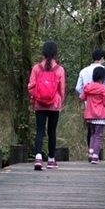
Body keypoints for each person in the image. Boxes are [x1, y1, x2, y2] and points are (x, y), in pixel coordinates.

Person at [27, 41, 66, 170]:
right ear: (55, 53)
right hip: (54, 104)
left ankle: (38, 157)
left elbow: (31, 86)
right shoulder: (59, 69)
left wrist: (36, 97)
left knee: (39, 130)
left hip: (39, 104)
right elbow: (61, 90)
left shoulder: (36, 68)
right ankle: (51, 159)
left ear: (43, 52)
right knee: (52, 132)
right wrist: (59, 100)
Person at [75, 49, 105, 158]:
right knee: (99, 132)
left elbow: (78, 88)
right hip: (101, 106)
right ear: (102, 58)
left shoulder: (83, 71)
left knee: (91, 130)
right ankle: (96, 155)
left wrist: (87, 97)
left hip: (88, 106)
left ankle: (90, 152)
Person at [79, 65, 105, 164]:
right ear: (103, 77)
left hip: (90, 114)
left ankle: (91, 152)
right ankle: (96, 156)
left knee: (92, 133)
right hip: (100, 115)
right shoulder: (104, 89)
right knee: (98, 135)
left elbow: (82, 97)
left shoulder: (88, 87)